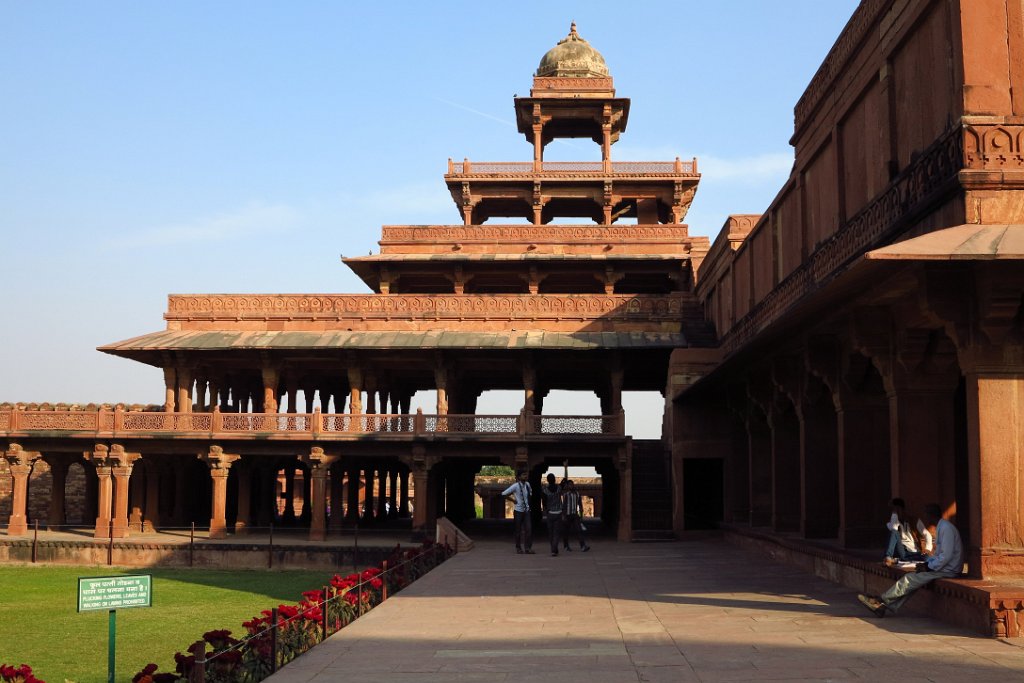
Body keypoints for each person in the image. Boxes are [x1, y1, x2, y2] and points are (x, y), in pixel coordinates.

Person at [858, 503, 964, 617]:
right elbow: (939, 555)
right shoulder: (941, 527)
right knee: (913, 582)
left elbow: (946, 556)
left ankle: (881, 600)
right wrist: (926, 564)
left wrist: (928, 566)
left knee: (909, 579)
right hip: (944, 567)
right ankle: (883, 607)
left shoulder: (946, 528)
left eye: (926, 515)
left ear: (931, 515)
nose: (925, 518)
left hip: (949, 570)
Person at [501, 470, 534, 554]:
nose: (525, 476)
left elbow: (530, 494)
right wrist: (513, 500)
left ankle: (528, 548)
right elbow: (503, 494)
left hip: (526, 510)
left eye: (526, 474)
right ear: (519, 477)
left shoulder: (528, 485)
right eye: (523, 475)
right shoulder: (515, 486)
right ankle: (518, 547)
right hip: (518, 511)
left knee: (529, 529)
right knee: (518, 530)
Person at [884, 497, 924, 563]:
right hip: (901, 551)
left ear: (902, 509)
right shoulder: (891, 523)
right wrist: (895, 515)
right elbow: (894, 529)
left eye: (897, 509)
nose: (895, 512)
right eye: (893, 510)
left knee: (926, 557)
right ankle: (888, 557)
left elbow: (927, 535)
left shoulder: (914, 520)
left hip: (912, 551)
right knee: (894, 532)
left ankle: (898, 560)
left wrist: (928, 548)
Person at [561, 479, 590, 552]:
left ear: (573, 485)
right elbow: (564, 506)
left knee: (579, 530)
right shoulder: (566, 495)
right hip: (567, 515)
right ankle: (566, 546)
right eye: (569, 485)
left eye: (572, 484)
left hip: (575, 515)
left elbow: (580, 505)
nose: (571, 486)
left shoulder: (577, 494)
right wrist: (563, 516)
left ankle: (583, 546)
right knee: (566, 531)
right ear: (567, 486)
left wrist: (581, 515)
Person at [541, 473, 563, 556]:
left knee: (550, 532)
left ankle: (553, 549)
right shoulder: (559, 488)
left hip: (550, 513)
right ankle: (554, 549)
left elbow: (544, 502)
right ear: (554, 479)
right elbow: (564, 482)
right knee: (556, 533)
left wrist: (545, 510)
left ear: (547, 480)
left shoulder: (545, 490)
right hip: (558, 512)